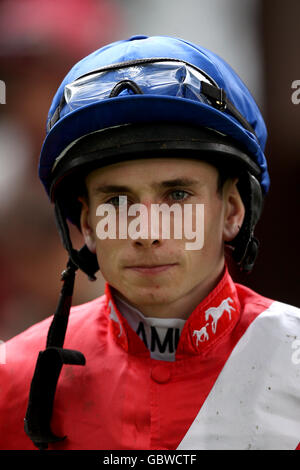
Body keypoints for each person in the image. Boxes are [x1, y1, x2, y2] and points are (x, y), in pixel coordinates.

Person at [0, 35, 299, 451]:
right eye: (117, 201)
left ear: (233, 210)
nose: (145, 232)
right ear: (87, 223)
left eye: (177, 195)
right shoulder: (13, 378)